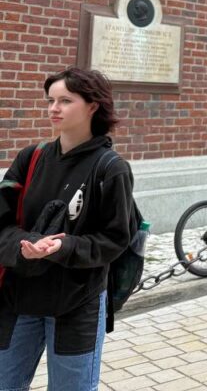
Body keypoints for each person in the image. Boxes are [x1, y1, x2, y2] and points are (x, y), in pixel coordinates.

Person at [0, 68, 134, 391]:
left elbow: (115, 239)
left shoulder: (111, 169)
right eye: (51, 100)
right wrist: (25, 245)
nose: (53, 108)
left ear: (92, 106)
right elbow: (2, 222)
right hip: (20, 299)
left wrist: (64, 247)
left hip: (77, 304)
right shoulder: (30, 158)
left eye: (65, 101)